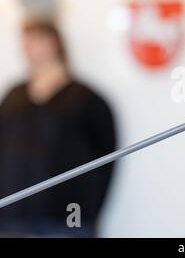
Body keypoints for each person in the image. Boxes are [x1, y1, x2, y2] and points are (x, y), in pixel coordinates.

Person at [0, 18, 116, 237]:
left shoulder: (87, 99)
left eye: (34, 40)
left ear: (53, 43)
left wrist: (87, 213)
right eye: (24, 42)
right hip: (12, 221)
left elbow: (107, 159)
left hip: (68, 222)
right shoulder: (14, 96)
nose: (27, 48)